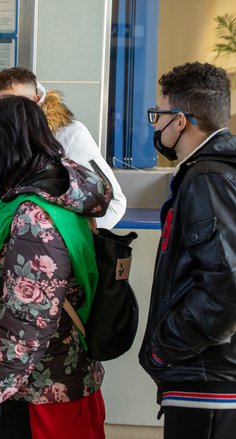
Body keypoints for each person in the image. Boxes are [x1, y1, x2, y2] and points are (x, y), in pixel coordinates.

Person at [0, 96, 112, 438]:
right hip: (57, 380)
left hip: (41, 393)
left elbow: (24, 321)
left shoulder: (34, 218)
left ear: (2, 147)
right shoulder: (60, 193)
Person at [138, 62, 236, 439]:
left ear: (180, 121)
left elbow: (226, 288)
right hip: (211, 377)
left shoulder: (208, 178)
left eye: (158, 115)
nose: (155, 126)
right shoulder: (216, 171)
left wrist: (164, 348)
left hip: (206, 382)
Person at [0, 67, 126, 229]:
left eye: (11, 100)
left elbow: (113, 203)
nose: (0, 109)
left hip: (48, 247)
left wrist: (63, 236)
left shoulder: (69, 134)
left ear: (35, 100)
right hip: (3, 242)